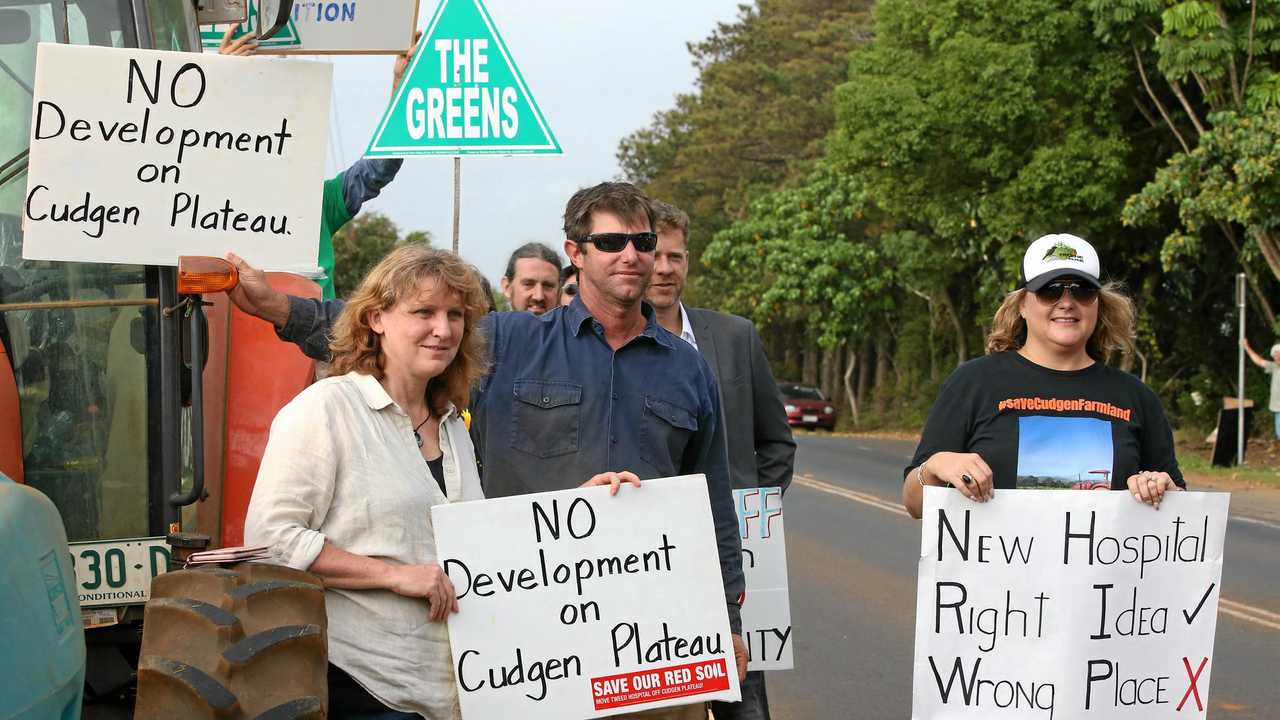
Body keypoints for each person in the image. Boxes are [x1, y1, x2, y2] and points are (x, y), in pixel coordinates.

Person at [225, 183, 747, 720]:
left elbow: (715, 507)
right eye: (612, 241)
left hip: (647, 648)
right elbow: (398, 326)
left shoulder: (689, 369)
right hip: (522, 654)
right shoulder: (509, 343)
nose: (632, 254)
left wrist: (728, 620)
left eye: (642, 240)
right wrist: (278, 307)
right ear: (576, 252)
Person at [243, 247, 635, 718]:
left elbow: (477, 543)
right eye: (423, 312)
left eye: (455, 315)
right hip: (361, 686)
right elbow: (271, 540)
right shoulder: (326, 409)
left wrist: (577, 509)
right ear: (375, 318)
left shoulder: (451, 425)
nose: (443, 330)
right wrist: (394, 575)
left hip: (456, 691)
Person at [902, 233, 1185, 519]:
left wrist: (1163, 489)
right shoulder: (973, 383)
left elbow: (1180, 511)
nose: (1067, 302)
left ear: (1098, 305)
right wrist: (935, 466)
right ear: (1022, 304)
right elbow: (915, 504)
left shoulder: (1136, 397)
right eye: (1050, 290)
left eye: (1082, 290)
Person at [645, 200, 795, 719]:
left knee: (744, 696)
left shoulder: (735, 336)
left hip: (735, 558)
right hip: (648, 560)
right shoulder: (611, 348)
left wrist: (750, 510)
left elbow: (777, 443)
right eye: (655, 254)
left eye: (676, 256)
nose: (664, 268)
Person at [219, 26, 415, 300]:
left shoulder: (319, 201)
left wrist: (402, 89)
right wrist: (221, 80)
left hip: (315, 339)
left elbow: (379, 167)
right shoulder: (214, 204)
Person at [499, 242, 562, 314]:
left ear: (559, 292)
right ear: (507, 287)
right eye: (528, 284)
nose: (539, 296)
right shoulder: (488, 324)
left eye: (548, 286)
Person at [1240, 338, 1280, 439]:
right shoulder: (1274, 367)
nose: (1277, 356)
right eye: (1275, 355)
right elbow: (1259, 361)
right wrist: (1246, 347)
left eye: (1279, 354)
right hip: (1277, 409)